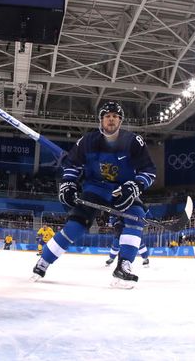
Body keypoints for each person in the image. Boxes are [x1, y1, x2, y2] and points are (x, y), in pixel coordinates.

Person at [32, 101, 156, 287]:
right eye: (107, 116)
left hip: (121, 189)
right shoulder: (87, 141)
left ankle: (124, 266)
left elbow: (148, 170)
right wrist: (68, 184)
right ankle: (43, 261)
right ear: (101, 120)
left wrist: (135, 186)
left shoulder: (133, 141)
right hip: (95, 188)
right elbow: (72, 165)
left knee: (136, 217)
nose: (111, 119)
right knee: (76, 225)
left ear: (120, 120)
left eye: (115, 116)